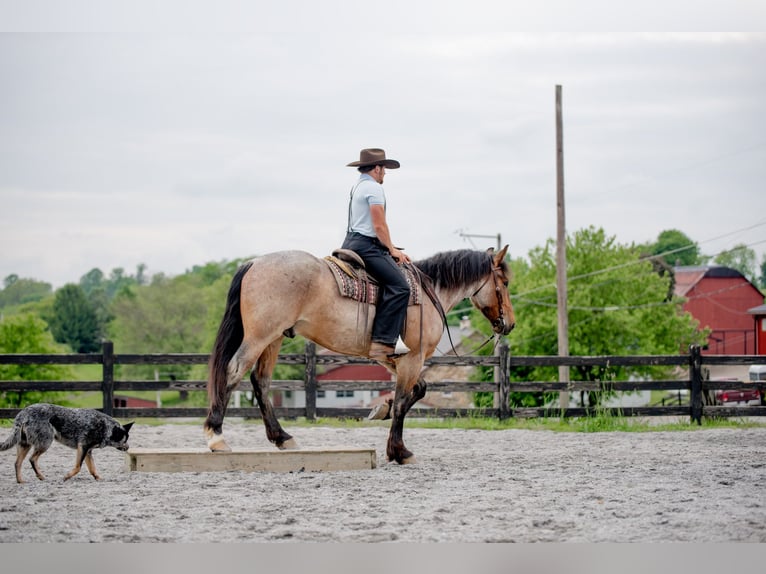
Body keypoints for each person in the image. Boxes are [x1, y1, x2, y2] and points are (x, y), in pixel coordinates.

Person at [342, 148, 411, 362]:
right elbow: (379, 225)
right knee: (401, 287)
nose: (385, 174)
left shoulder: (358, 186)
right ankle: (382, 342)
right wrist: (392, 250)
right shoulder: (374, 188)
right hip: (366, 246)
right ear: (377, 168)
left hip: (351, 241)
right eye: (384, 169)